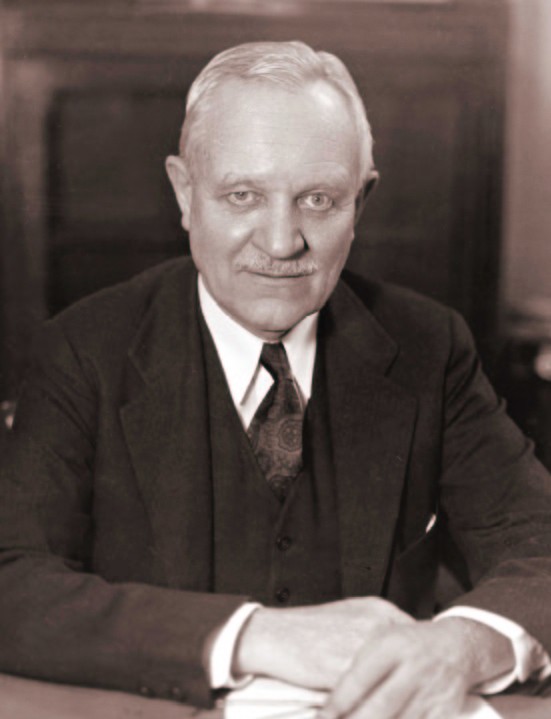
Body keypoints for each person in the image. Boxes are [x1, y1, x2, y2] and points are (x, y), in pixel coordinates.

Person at [1, 40, 551, 719]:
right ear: (184, 193)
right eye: (242, 195)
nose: (282, 240)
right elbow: (11, 582)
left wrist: (462, 646)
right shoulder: (86, 349)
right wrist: (253, 635)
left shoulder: (427, 346)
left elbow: (540, 541)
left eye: (318, 199)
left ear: (362, 202)